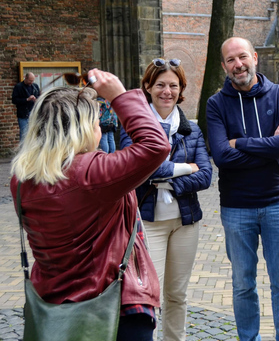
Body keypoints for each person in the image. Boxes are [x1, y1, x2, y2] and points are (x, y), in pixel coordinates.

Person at [11, 70, 171, 340]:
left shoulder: (21, 179)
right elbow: (155, 146)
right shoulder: (90, 173)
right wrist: (120, 96)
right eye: (96, 122)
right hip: (112, 308)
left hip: (54, 307)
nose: (99, 128)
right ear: (82, 128)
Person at [206, 37, 279, 341]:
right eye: (231, 60)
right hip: (237, 208)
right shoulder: (216, 104)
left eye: (242, 57)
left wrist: (240, 144)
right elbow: (221, 156)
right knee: (243, 284)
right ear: (223, 66)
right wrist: (268, 149)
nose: (238, 65)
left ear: (255, 58)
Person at [121, 58, 212, 341]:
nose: (167, 91)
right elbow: (137, 168)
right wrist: (184, 168)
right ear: (147, 86)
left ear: (181, 89)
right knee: (150, 293)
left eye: (173, 85)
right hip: (148, 222)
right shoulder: (133, 126)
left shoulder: (191, 130)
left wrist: (168, 183)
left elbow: (206, 176)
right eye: (160, 84)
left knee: (178, 294)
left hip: (185, 222)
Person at [12, 72, 40, 142]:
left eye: (33, 80)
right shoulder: (18, 86)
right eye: (30, 80)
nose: (31, 82)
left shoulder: (35, 86)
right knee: (24, 133)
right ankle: (23, 151)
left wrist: (36, 100)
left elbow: (39, 97)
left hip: (33, 113)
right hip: (23, 114)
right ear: (26, 78)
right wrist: (27, 99)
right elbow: (14, 100)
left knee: (34, 133)